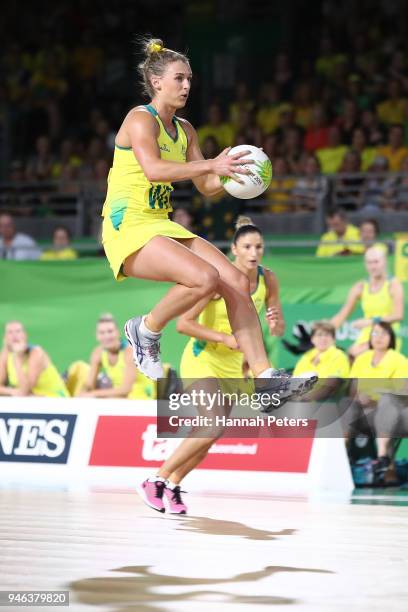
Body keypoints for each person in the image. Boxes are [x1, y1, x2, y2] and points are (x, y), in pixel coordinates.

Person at [101, 38, 316, 402]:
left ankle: (266, 381)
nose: (187, 86)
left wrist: (239, 176)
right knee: (205, 278)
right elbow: (154, 170)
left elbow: (206, 185)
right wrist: (212, 164)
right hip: (128, 224)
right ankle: (146, 329)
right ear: (156, 82)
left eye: (189, 79)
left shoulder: (185, 129)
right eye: (179, 78)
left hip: (159, 222)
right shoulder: (140, 119)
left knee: (235, 281)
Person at [140, 216, 285, 514]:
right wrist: (224, 337)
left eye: (259, 246)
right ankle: (155, 479)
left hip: (232, 366)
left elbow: (277, 326)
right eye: (247, 246)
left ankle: (174, 485)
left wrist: (276, 322)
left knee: (212, 434)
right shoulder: (221, 280)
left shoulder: (268, 279)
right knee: (212, 424)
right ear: (234, 249)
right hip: (202, 358)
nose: (254, 252)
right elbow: (184, 324)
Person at [347, 322, 407, 472]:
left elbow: (403, 392)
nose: (379, 337)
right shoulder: (361, 359)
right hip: (367, 411)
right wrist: (359, 398)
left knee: (387, 401)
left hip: (395, 411)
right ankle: (339, 456)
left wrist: (378, 397)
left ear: (391, 338)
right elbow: (353, 390)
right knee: (346, 404)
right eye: (375, 333)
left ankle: (382, 457)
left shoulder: (399, 360)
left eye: (384, 333)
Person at [331, 246, 404, 358]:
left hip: (388, 333)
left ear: (384, 261)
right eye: (369, 262)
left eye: (376, 262)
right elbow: (342, 314)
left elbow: (398, 315)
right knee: (350, 355)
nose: (373, 266)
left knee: (358, 354)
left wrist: (371, 322)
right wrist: (324, 331)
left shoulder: (394, 284)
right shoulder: (360, 286)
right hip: (368, 334)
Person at [77, 314, 155, 399]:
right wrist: (84, 391)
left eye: (110, 331)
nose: (106, 336)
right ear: (97, 336)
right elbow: (89, 384)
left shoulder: (130, 352)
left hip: (143, 399)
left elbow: (125, 389)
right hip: (119, 398)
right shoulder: (98, 352)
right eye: (102, 333)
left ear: (117, 332)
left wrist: (93, 394)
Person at [0, 321, 69, 397]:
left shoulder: (36, 353)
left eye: (18, 331)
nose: (14, 335)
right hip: (32, 398)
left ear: (25, 336)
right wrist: (12, 391)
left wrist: (17, 357)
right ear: (5, 338)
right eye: (10, 332)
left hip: (54, 397)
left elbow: (25, 391)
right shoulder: (6, 354)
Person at [293, 321, 350, 401]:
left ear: (333, 339)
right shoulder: (306, 357)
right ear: (312, 339)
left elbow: (332, 385)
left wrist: (306, 399)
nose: (323, 338)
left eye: (327, 335)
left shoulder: (339, 356)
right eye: (319, 335)